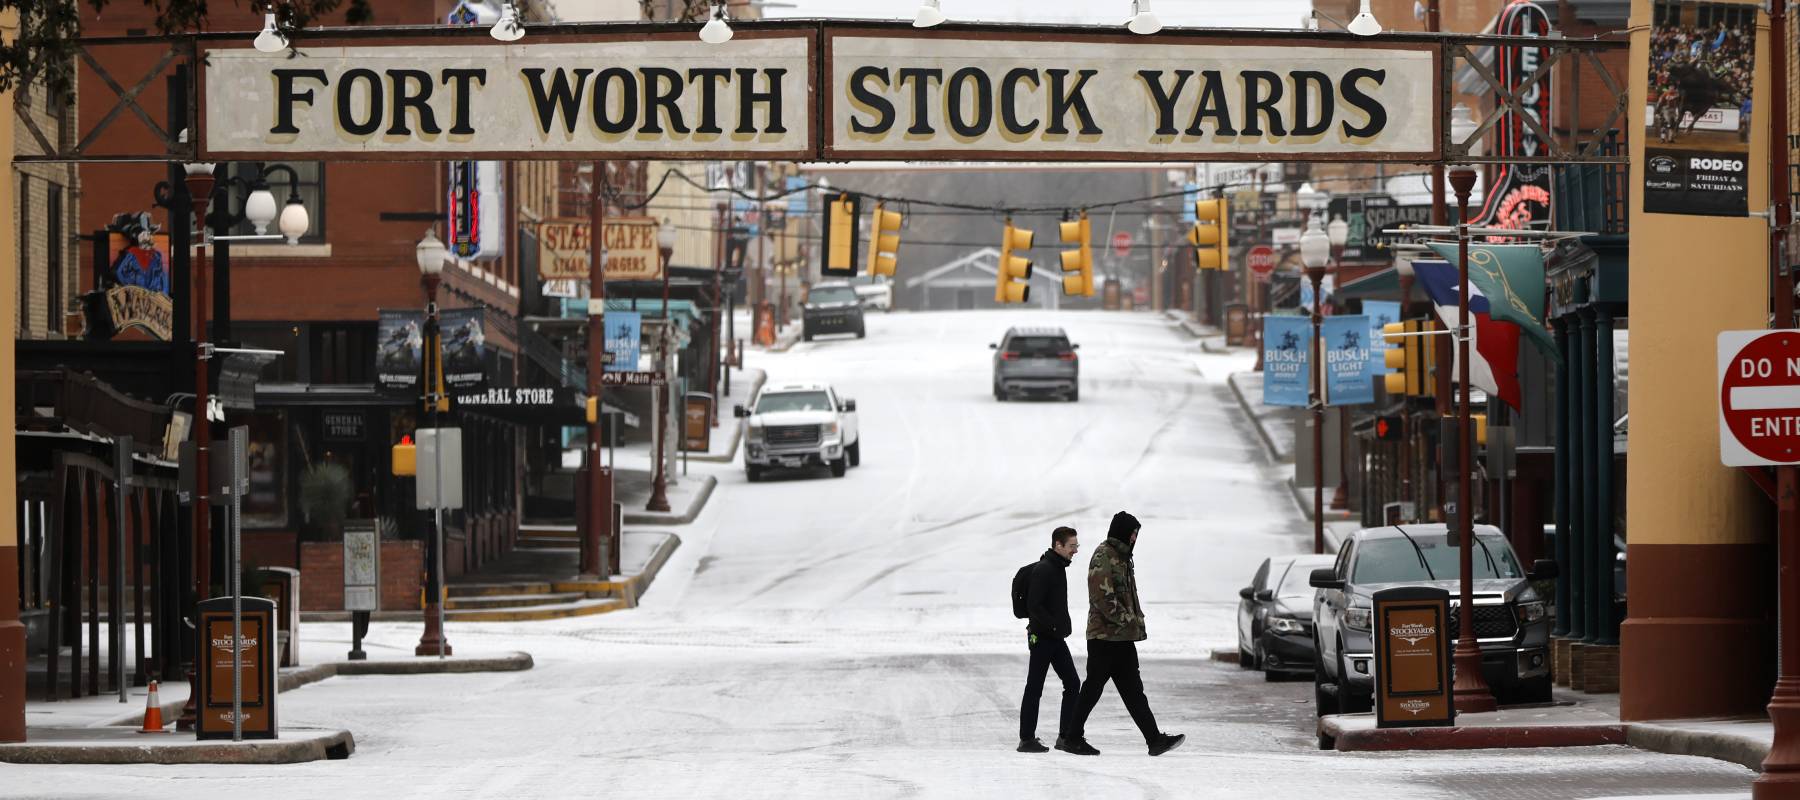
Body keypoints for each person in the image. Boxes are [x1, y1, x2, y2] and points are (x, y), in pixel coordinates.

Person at [1062, 511, 1184, 757]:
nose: (1135, 538)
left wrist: (1134, 623)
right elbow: (1103, 599)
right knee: (1093, 689)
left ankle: (1154, 740)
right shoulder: (1104, 556)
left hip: (1121, 638)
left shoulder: (1123, 557)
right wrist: (1128, 621)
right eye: (1133, 533)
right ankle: (1071, 738)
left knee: (1133, 690)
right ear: (1122, 533)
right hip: (1104, 638)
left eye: (1136, 534)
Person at [1018, 526, 1082, 754]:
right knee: (1035, 687)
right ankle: (1026, 739)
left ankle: (1064, 736)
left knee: (1073, 683)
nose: (1075, 550)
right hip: (1042, 637)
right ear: (1059, 545)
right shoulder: (1045, 569)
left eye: (1076, 546)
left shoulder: (1057, 567)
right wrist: (1055, 626)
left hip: (1053, 638)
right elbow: (1034, 606)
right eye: (1072, 546)